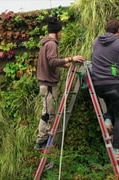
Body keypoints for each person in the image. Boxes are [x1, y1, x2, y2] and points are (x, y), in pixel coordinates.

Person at [34, 17, 85, 150]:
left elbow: (50, 62)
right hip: (48, 85)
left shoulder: (46, 44)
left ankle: (42, 140)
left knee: (49, 112)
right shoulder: (51, 44)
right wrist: (71, 58)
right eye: (60, 32)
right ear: (57, 31)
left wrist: (64, 65)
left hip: (47, 84)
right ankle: (41, 141)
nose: (61, 34)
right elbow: (52, 61)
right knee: (47, 113)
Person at [91, 19, 119, 159]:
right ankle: (116, 150)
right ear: (118, 31)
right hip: (112, 83)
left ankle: (107, 121)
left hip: (97, 84)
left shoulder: (95, 42)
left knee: (112, 101)